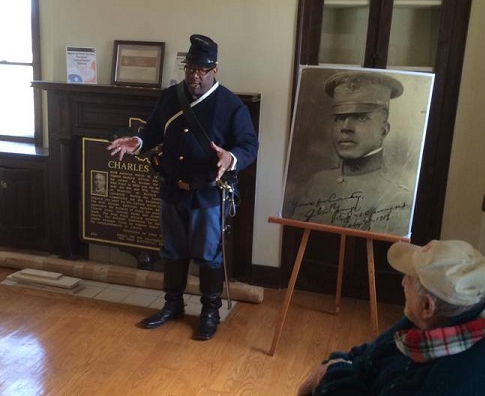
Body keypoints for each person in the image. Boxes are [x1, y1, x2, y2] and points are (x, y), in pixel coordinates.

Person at [106, 34, 258, 340]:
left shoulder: (231, 104)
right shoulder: (170, 97)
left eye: (201, 70)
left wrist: (231, 157)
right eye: (190, 68)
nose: (194, 76)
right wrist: (137, 141)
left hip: (208, 193)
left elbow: (249, 145)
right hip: (172, 188)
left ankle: (209, 312)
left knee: (207, 254)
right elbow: (151, 132)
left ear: (215, 69)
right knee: (172, 251)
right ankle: (172, 306)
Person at [296, 239, 485, 396]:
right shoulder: (446, 323)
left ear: (427, 306)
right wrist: (335, 366)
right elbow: (373, 355)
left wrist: (330, 374)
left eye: (409, 279)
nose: (402, 282)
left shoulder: (454, 381)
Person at [289, 71, 413, 236]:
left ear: (383, 130)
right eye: (339, 118)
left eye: (360, 118)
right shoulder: (317, 182)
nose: (345, 127)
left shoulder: (397, 195)